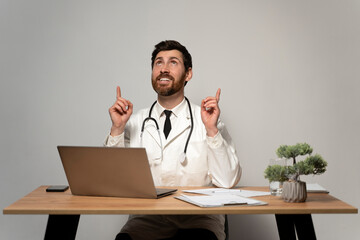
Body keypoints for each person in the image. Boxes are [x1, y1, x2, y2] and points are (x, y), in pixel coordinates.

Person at [105, 40, 241, 240]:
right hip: (148, 219)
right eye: (158, 63)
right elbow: (111, 180)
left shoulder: (208, 119)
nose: (164, 69)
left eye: (173, 62)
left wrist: (211, 130)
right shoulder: (133, 122)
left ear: (188, 74)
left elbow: (228, 180)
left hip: (199, 218)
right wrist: (117, 129)